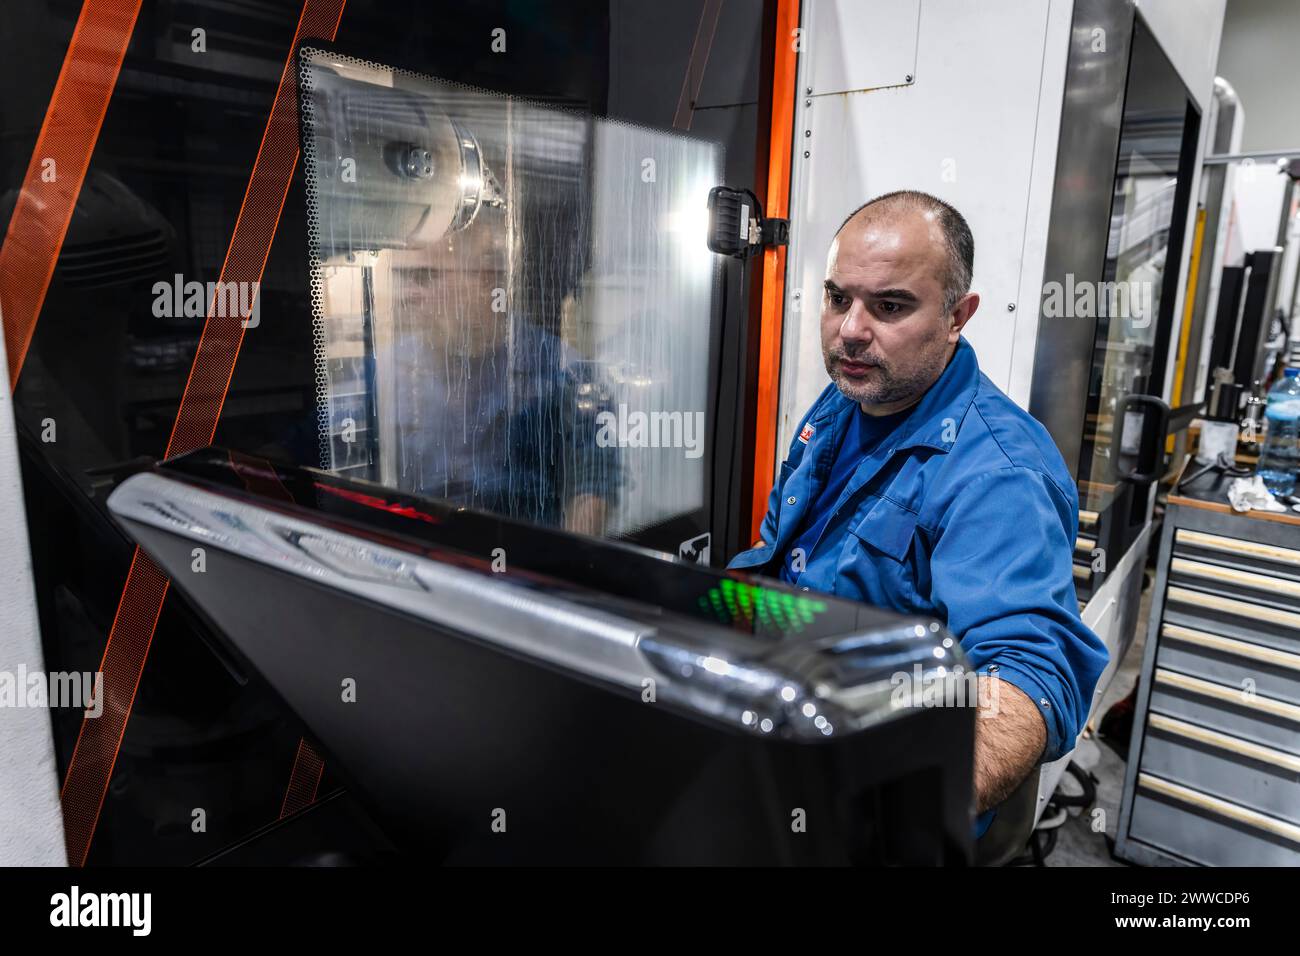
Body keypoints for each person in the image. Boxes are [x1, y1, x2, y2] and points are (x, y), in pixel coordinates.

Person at [728, 190, 1107, 837]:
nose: (850, 328)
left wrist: (904, 813)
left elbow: (1028, 673)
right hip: (787, 735)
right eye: (838, 297)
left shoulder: (997, 472)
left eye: (890, 305)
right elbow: (779, 558)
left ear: (959, 315)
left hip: (871, 796)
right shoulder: (848, 399)